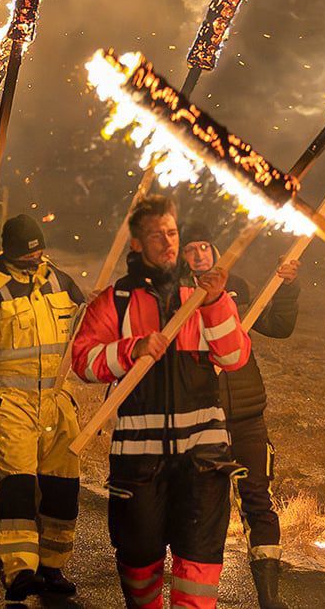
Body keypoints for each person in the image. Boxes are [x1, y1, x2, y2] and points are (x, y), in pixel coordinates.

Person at [71, 195, 252, 609]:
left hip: (203, 459)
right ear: (136, 244)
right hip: (139, 462)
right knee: (138, 564)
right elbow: (82, 361)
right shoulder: (115, 301)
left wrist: (216, 303)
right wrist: (131, 350)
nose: (168, 243)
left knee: (199, 563)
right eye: (157, 236)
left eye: (172, 233)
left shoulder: (201, 296)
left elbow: (234, 357)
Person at [0, 214, 86, 603]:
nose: (37, 259)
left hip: (59, 403)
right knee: (18, 489)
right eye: (29, 254)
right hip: (11, 404)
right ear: (12, 252)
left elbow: (87, 325)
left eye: (40, 251)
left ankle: (52, 566)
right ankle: (19, 573)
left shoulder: (60, 281)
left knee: (63, 490)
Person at [182, 222, 299, 609]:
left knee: (258, 502)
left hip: (248, 417)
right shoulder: (172, 300)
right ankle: (195, 598)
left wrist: (286, 287)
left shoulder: (240, 289)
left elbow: (280, 326)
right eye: (190, 248)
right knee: (203, 508)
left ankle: (270, 597)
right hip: (202, 420)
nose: (200, 253)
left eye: (205, 245)